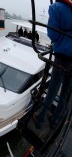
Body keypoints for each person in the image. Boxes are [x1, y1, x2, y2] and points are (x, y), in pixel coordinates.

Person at [34, 0, 72, 129]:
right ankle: (55, 120)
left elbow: (53, 35)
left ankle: (40, 118)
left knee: (53, 89)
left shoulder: (56, 8)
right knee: (66, 91)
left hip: (62, 55)